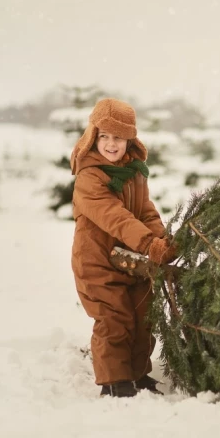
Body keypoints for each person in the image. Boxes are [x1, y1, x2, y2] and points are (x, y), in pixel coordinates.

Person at [70, 97, 176, 398]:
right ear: (93, 136)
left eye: (118, 137)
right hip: (97, 261)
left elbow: (144, 210)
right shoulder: (90, 176)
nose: (111, 144)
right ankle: (114, 381)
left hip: (130, 260)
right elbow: (113, 215)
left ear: (130, 139)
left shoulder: (134, 172)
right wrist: (146, 243)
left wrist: (161, 241)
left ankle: (137, 374)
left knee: (142, 314)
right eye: (104, 136)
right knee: (114, 317)